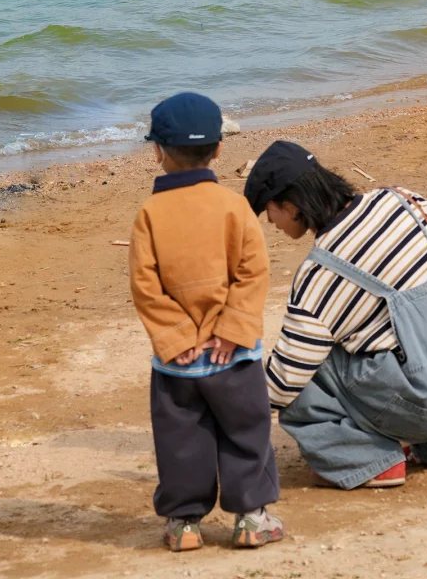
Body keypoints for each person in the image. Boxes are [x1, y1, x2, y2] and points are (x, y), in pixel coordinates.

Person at [244, 140, 427, 491]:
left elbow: (284, 383)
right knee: (377, 340)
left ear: (292, 204)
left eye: (269, 209)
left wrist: (231, 405)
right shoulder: (402, 200)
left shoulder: (321, 274)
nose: (270, 222)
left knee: (307, 377)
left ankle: (372, 462)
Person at [129, 92, 285, 552]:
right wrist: (232, 328)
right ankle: (251, 518)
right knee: (247, 431)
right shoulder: (234, 206)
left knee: (181, 441)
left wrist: (175, 336)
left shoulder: (149, 214)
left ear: (156, 151)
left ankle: (184, 524)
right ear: (219, 149)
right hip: (233, 355)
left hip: (178, 361)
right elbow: (253, 272)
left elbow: (145, 285)